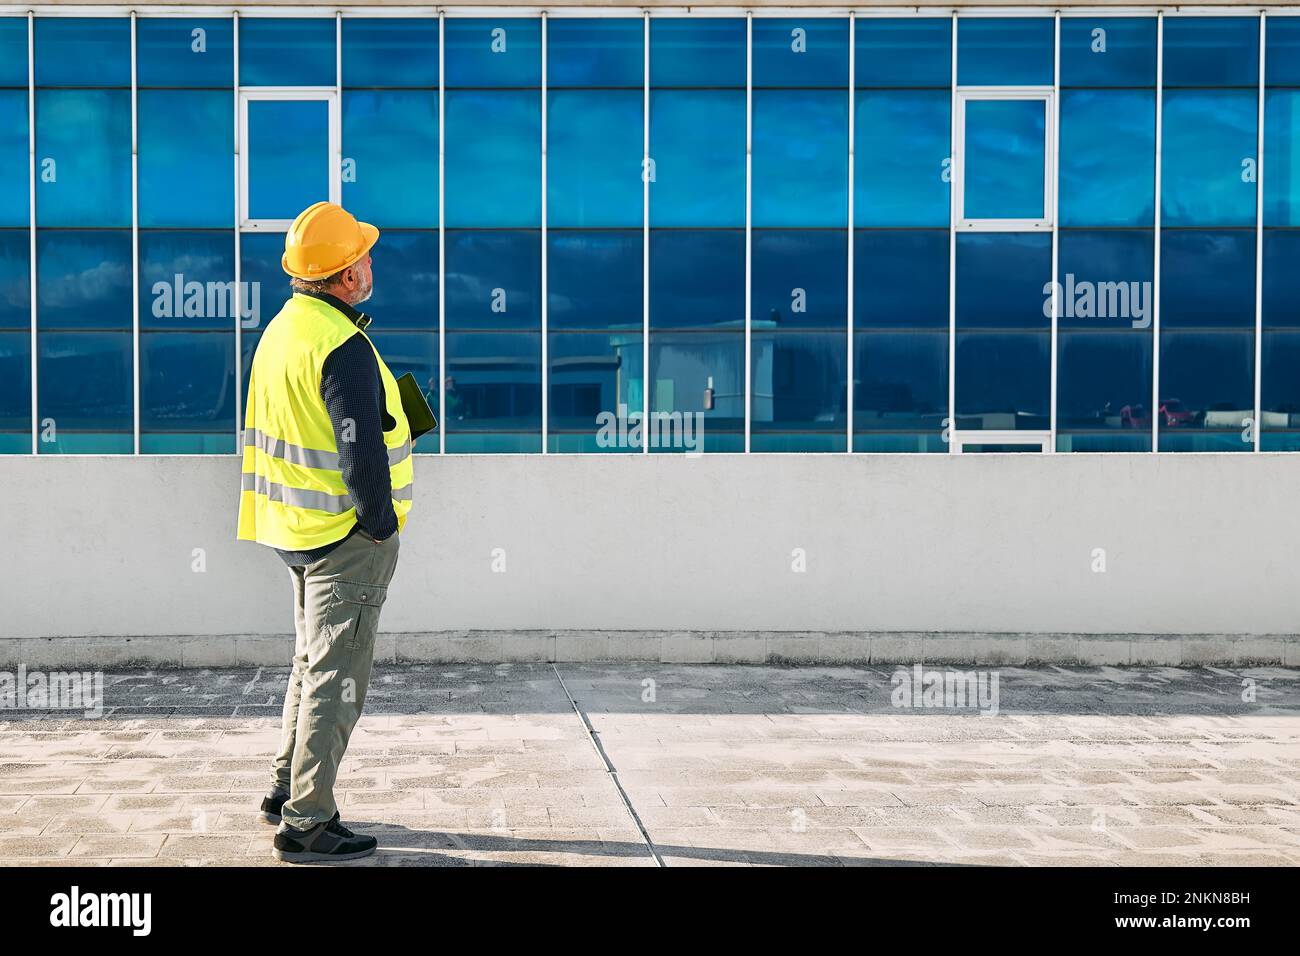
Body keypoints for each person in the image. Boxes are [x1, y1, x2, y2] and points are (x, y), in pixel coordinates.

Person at [236, 201, 414, 863]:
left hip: (293, 529)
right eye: (362, 256)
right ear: (345, 276)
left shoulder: (285, 329)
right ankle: (307, 823)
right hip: (345, 539)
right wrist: (380, 528)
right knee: (338, 681)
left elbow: (314, 426)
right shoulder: (343, 346)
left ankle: (286, 789)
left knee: (311, 665)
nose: (371, 264)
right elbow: (357, 452)